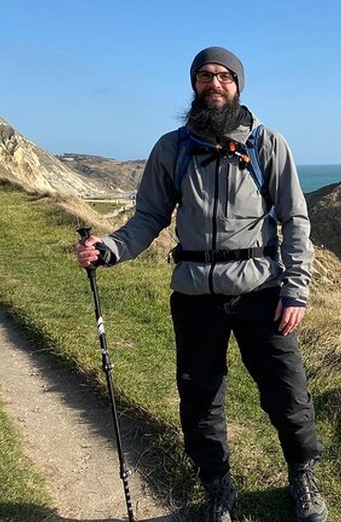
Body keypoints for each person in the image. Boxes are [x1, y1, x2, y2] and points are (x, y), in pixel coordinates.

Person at [75, 46, 327, 522]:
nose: (215, 83)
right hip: (194, 296)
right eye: (205, 75)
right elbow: (148, 217)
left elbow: (295, 221)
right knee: (200, 397)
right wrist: (108, 248)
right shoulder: (172, 149)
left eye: (224, 76)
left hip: (261, 292)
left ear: (238, 85)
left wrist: (296, 290)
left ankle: (303, 477)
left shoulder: (267, 144)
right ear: (194, 84)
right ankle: (218, 487)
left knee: (287, 392)